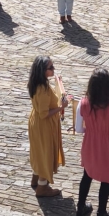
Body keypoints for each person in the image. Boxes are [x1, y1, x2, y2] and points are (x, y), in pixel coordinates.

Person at [75, 68, 109, 216]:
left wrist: (91, 130)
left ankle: (81, 206)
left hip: (90, 145)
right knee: (106, 179)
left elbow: (78, 129)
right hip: (107, 148)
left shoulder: (82, 104)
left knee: (87, 175)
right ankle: (101, 214)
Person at [27, 56, 67, 197]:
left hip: (36, 122)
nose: (53, 69)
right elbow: (45, 113)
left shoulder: (37, 82)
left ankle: (36, 178)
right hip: (43, 125)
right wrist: (61, 107)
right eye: (50, 68)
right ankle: (42, 187)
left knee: (38, 151)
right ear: (43, 71)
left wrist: (58, 85)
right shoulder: (42, 88)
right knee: (46, 153)